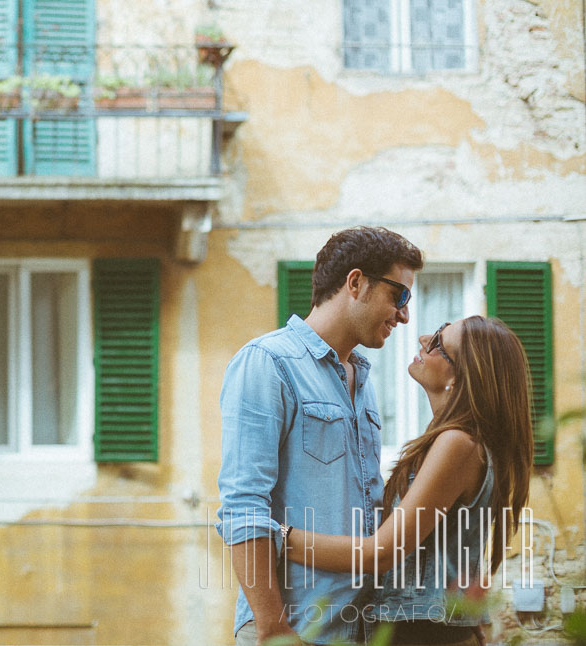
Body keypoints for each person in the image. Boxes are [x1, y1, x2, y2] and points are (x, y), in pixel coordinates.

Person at [217, 226, 424, 646]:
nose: (404, 315)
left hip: (361, 630)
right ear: (355, 282)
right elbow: (243, 508)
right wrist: (274, 629)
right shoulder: (268, 362)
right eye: (399, 296)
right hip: (295, 630)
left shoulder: (362, 378)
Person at [283, 316, 533, 645]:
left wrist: (277, 538)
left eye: (438, 345)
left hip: (421, 632)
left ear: (459, 378)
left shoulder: (458, 444)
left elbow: (383, 553)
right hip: (437, 629)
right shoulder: (469, 444)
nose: (423, 338)